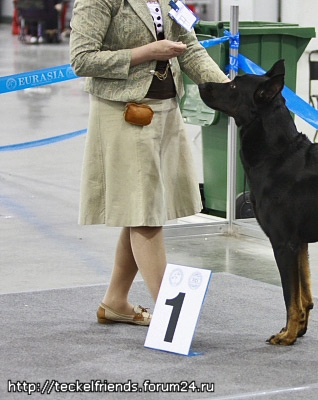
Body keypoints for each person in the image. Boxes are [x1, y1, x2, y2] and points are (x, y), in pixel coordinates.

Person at [70, 0, 229, 325]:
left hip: (166, 112)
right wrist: (146, 52)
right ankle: (172, 318)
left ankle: (115, 301)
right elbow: (82, 59)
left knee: (140, 210)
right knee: (145, 215)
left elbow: (191, 50)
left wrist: (230, 91)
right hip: (123, 112)